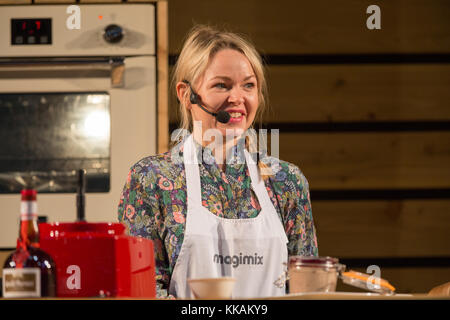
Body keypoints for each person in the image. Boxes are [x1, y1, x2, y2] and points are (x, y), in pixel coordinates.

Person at [118, 25, 318, 299]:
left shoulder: (287, 181)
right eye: (221, 85)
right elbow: (141, 291)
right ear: (187, 95)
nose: (237, 98)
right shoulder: (150, 179)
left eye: (248, 85)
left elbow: (307, 289)